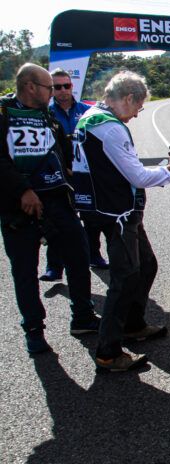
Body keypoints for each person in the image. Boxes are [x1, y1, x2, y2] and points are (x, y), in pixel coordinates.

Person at [72, 71, 170, 371]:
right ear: (127, 98)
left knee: (146, 266)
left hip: (108, 208)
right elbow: (137, 176)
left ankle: (132, 325)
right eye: (138, 106)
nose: (137, 114)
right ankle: (108, 352)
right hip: (117, 214)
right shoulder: (110, 128)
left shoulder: (90, 117)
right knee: (124, 279)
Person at [0, 63, 100, 354]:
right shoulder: (5, 115)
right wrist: (23, 190)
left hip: (57, 201)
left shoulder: (48, 116)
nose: (54, 93)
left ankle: (82, 316)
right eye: (49, 88)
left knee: (79, 257)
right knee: (24, 271)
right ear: (31, 87)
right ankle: (34, 330)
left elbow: (63, 154)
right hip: (19, 207)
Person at [39, 68, 101, 282]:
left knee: (91, 218)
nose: (63, 90)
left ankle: (94, 255)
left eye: (67, 85)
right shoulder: (45, 113)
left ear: (72, 86)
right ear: (51, 89)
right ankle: (54, 267)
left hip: (86, 174)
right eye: (57, 87)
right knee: (58, 221)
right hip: (59, 176)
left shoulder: (87, 110)